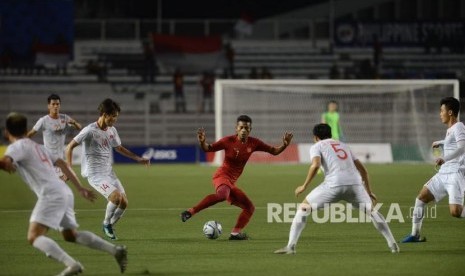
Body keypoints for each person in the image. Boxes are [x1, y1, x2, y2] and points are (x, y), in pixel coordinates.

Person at [0, 112, 127, 276]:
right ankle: (116, 251)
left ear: (6, 132)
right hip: (64, 191)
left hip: (50, 194)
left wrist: (6, 164)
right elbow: (61, 163)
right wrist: (80, 188)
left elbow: (5, 162)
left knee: (33, 236)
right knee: (70, 235)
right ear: (26, 129)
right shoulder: (37, 146)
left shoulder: (16, 147)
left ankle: (72, 264)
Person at [274, 123, 399, 254]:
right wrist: (368, 191)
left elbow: (315, 165)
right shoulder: (344, 145)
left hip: (333, 185)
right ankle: (393, 244)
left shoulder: (317, 146)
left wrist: (304, 186)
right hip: (355, 185)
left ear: (315, 137)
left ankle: (291, 247)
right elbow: (363, 171)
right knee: (372, 212)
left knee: (303, 209)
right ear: (331, 134)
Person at [181, 115, 293, 240]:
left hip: (231, 183)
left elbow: (273, 151)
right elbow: (208, 149)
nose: (244, 130)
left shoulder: (254, 143)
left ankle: (235, 233)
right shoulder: (227, 141)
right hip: (222, 176)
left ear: (250, 129)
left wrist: (284, 145)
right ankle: (191, 211)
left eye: (246, 128)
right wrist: (202, 142)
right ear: (236, 128)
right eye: (241, 127)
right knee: (223, 195)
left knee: (250, 208)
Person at [66, 98, 150, 241]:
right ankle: (106, 224)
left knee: (124, 202)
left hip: (108, 172)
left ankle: (109, 225)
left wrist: (138, 159)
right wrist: (69, 168)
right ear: (104, 114)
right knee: (116, 197)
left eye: (116, 116)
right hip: (95, 174)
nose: (115, 119)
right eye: (113, 116)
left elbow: (119, 148)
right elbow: (69, 147)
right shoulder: (89, 131)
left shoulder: (112, 130)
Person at [402, 97, 465, 243]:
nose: (440, 114)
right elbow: (453, 144)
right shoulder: (450, 130)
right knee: (421, 198)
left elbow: (462, 147)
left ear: (450, 112)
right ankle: (415, 235)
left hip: (455, 174)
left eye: (442, 110)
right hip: (444, 173)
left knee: (456, 212)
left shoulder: (459, 126)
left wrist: (444, 158)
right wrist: (440, 142)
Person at [27, 94, 82, 181]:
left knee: (60, 188)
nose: (56, 106)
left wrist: (74, 123)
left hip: (60, 160)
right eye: (53, 104)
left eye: (57, 104)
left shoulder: (65, 118)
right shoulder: (43, 120)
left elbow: (79, 127)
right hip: (48, 160)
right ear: (48, 106)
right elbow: (30, 133)